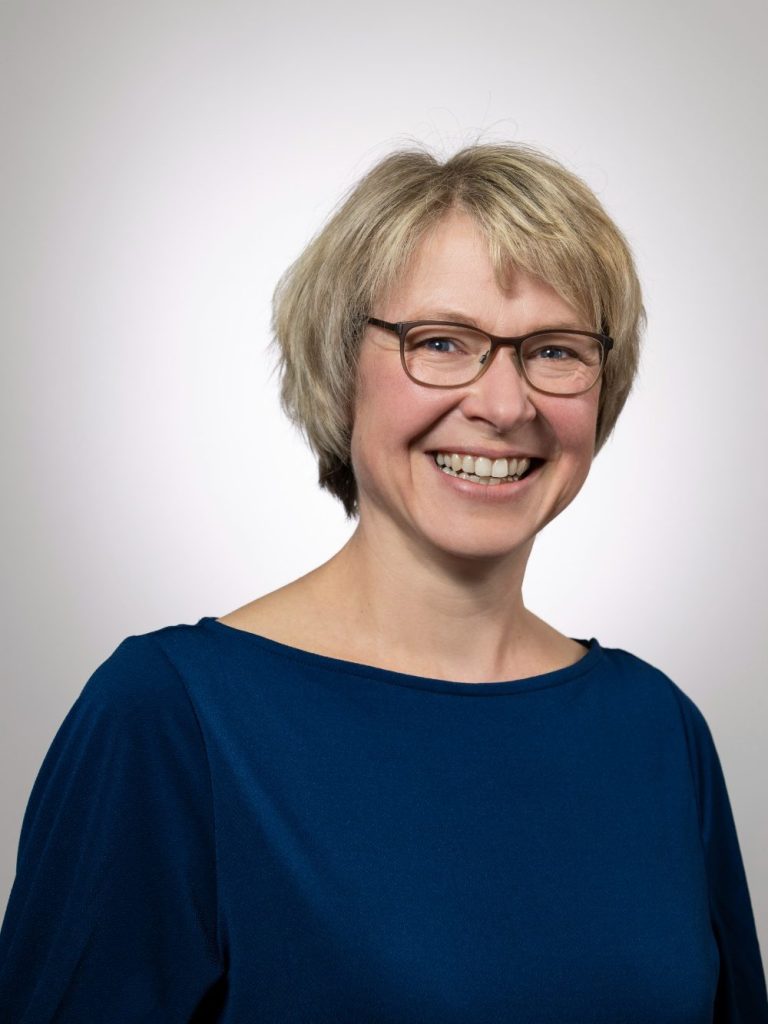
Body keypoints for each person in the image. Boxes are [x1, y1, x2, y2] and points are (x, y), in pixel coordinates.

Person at [0, 142, 766, 1023]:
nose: (504, 405)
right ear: (340, 368)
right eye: (440, 342)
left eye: (554, 351)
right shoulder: (170, 720)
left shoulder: (658, 730)